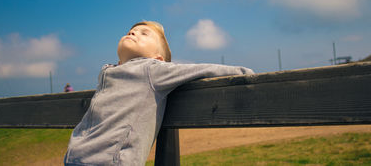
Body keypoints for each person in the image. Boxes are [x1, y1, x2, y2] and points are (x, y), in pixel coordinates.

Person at [64, 21, 254, 165]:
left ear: (158, 58)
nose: (132, 33)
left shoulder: (152, 70)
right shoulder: (109, 73)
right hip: (74, 156)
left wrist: (242, 73)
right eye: (131, 31)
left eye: (144, 33)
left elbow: (198, 70)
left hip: (109, 161)